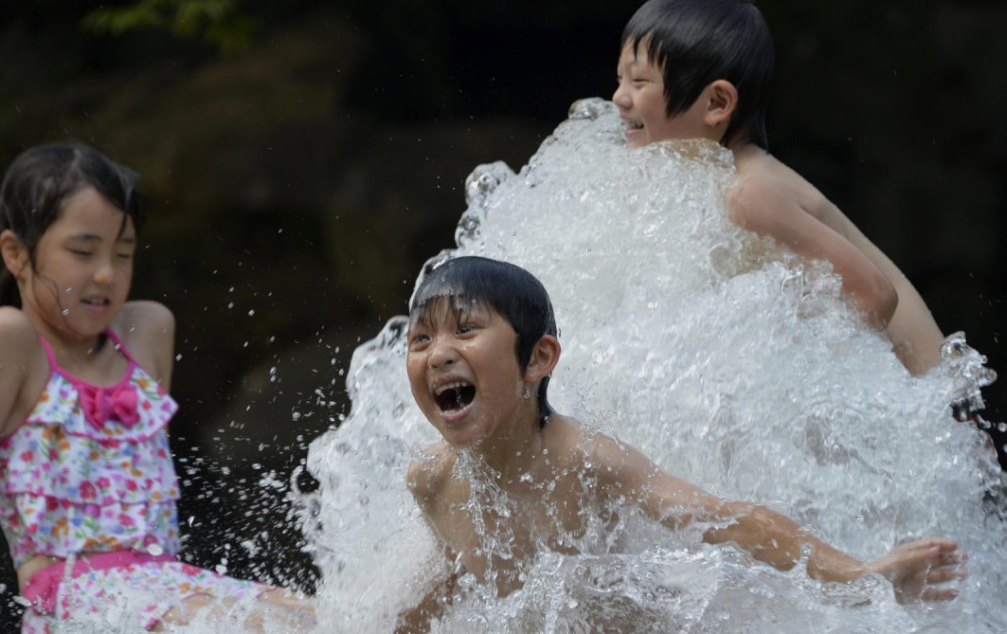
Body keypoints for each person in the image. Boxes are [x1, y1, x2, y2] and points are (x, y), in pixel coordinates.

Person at [395, 256, 967, 632]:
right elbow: (458, 573)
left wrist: (858, 575)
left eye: (465, 330)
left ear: (538, 359)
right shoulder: (433, 480)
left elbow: (730, 520)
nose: (438, 352)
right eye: (421, 338)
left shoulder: (586, 460)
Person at [0, 143, 317, 632]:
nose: (107, 273)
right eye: (83, 251)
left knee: (333, 617)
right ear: (16, 253)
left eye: (123, 254)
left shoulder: (146, 331)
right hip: (72, 601)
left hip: (166, 586)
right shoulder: (9, 341)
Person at [612, 0, 946, 375]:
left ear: (716, 104)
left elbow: (876, 295)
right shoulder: (712, 178)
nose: (619, 98)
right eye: (619, 79)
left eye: (639, 82)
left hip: (939, 397)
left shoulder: (748, 193)